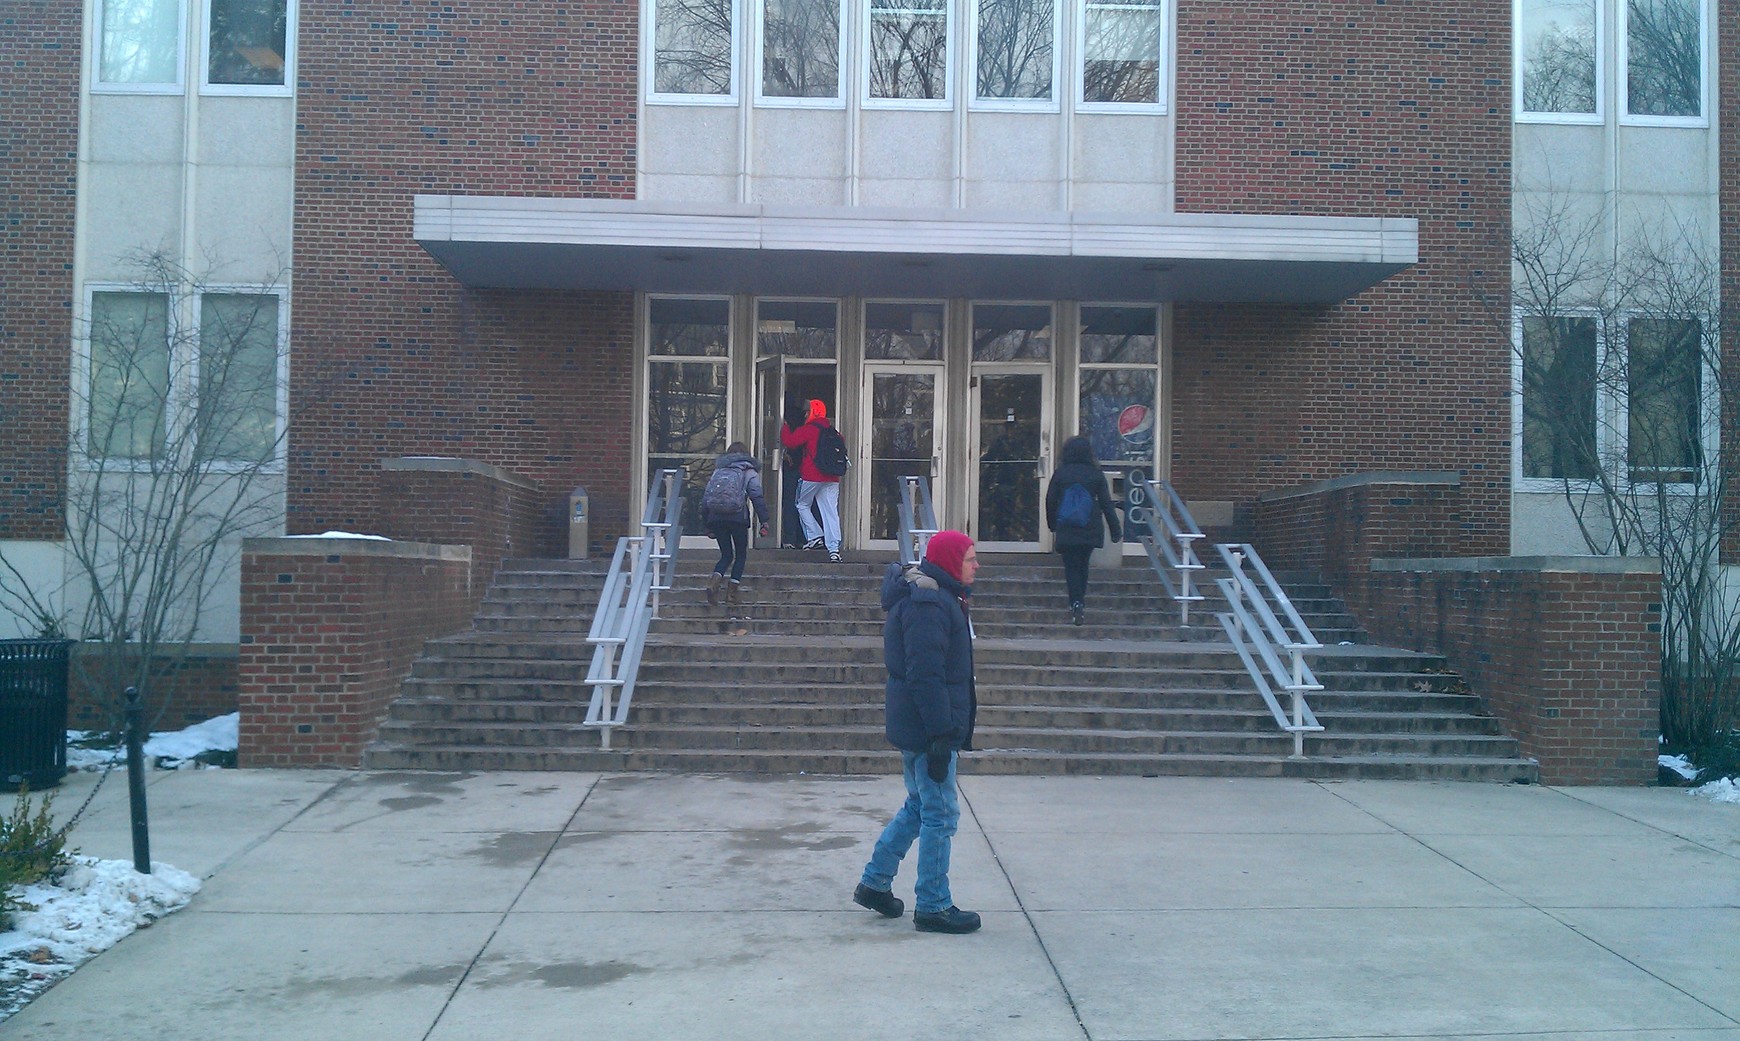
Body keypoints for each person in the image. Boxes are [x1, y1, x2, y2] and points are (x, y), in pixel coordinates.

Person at [853, 529, 981, 934]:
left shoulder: (939, 598)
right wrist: (942, 735)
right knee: (940, 814)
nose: (977, 565)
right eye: (970, 559)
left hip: (921, 725)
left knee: (919, 806)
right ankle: (933, 904)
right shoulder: (929, 604)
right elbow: (926, 676)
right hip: (929, 729)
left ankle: (875, 882)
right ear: (949, 563)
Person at [1045, 434, 1123, 626]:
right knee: (1083, 565)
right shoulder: (1095, 474)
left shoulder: (1061, 473)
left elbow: (1050, 500)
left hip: (1067, 526)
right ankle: (1081, 600)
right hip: (1089, 526)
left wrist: (1052, 524)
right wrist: (1115, 530)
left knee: (1071, 566)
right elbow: (1106, 503)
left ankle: (1076, 603)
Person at [702, 442, 770, 608]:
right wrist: (764, 520)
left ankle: (714, 582)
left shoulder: (718, 471)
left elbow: (705, 499)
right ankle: (732, 594)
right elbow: (757, 497)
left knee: (726, 555)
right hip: (737, 517)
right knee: (740, 555)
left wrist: (707, 524)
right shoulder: (749, 471)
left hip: (717, 518)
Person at [780, 399, 843, 562]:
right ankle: (834, 549)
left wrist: (785, 426)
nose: (805, 414)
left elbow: (790, 441)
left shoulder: (809, 429)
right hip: (832, 477)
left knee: (802, 504)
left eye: (807, 411)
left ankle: (815, 536)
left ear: (813, 412)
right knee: (831, 512)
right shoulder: (834, 431)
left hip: (811, 476)